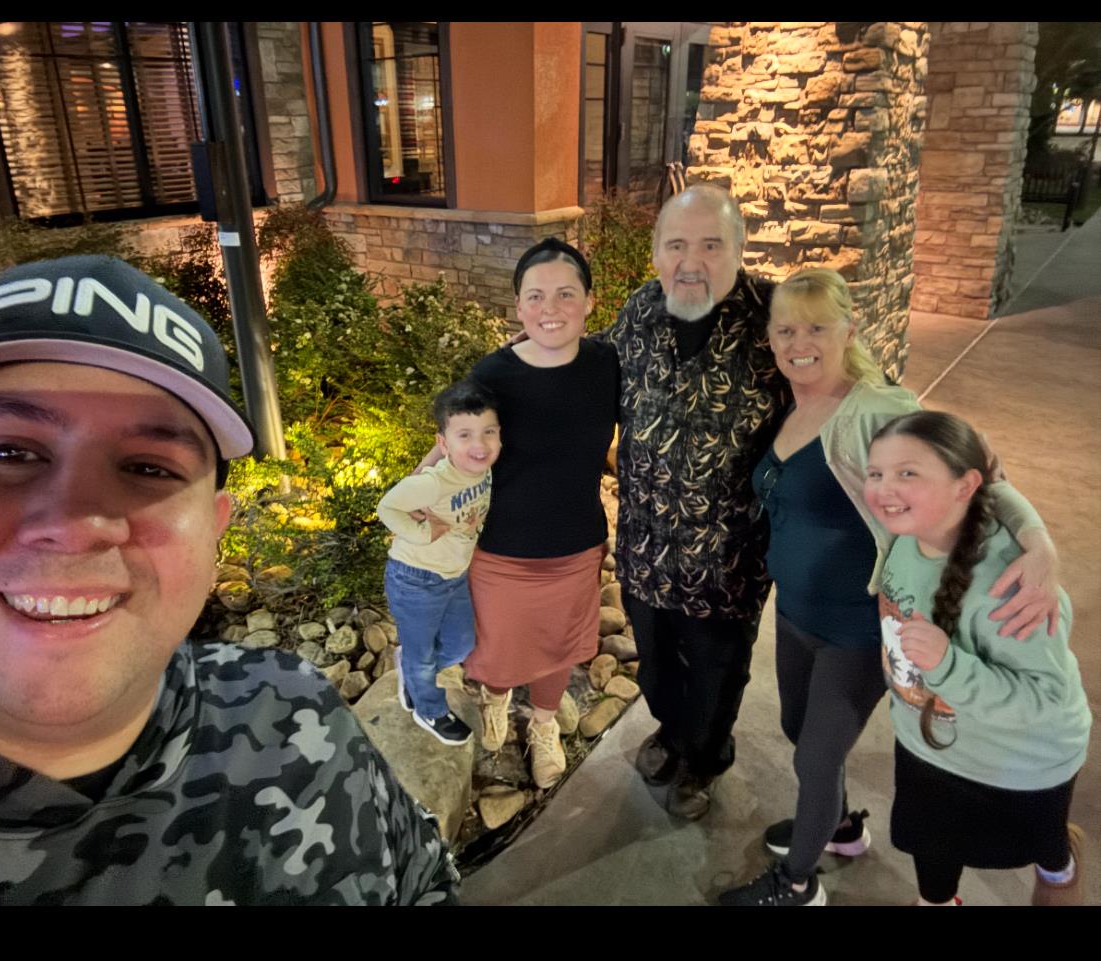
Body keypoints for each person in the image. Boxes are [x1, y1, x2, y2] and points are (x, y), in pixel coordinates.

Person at [0, 255, 459, 905]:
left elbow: (422, 878)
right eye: (7, 451)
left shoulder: (291, 710)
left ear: (214, 528)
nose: (78, 522)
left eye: (149, 467)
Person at [716, 268, 1061, 906]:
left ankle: (797, 885)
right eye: (786, 328)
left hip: (855, 624)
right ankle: (841, 828)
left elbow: (981, 471)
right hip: (794, 614)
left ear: (848, 329)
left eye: (817, 326)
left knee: (817, 757)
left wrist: (1039, 543)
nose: (800, 341)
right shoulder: (790, 400)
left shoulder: (879, 408)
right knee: (798, 728)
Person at [604, 184, 790, 818]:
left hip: (727, 562)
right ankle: (671, 732)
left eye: (712, 245)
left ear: (740, 249)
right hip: (644, 550)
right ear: (655, 252)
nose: (692, 261)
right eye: (677, 244)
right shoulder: (638, 313)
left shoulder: (776, 318)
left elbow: (858, 394)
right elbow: (576, 380)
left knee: (715, 677)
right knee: (655, 669)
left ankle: (704, 761)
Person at [866, 411, 1089, 907]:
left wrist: (948, 666)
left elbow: (1046, 701)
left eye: (908, 473)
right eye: (876, 473)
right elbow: (991, 480)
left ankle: (1060, 867)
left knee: (1041, 848)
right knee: (930, 848)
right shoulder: (908, 530)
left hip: (1015, 767)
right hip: (928, 745)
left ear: (964, 485)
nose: (884, 487)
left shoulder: (1014, 586)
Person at [442, 237, 617, 790]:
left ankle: (543, 726)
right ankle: (496, 698)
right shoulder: (494, 374)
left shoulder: (608, 365)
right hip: (501, 547)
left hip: (575, 542)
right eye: (536, 296)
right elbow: (456, 443)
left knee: (558, 647)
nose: (550, 308)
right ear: (518, 306)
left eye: (566, 294)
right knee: (497, 649)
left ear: (589, 301)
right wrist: (418, 502)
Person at [377, 379, 500, 746]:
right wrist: (421, 532)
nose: (478, 445)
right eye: (464, 435)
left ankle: (413, 665)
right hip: (416, 579)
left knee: (461, 644)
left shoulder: (481, 467)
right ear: (444, 443)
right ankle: (427, 709)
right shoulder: (435, 483)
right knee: (423, 659)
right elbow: (388, 506)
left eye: (488, 433)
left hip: (453, 576)